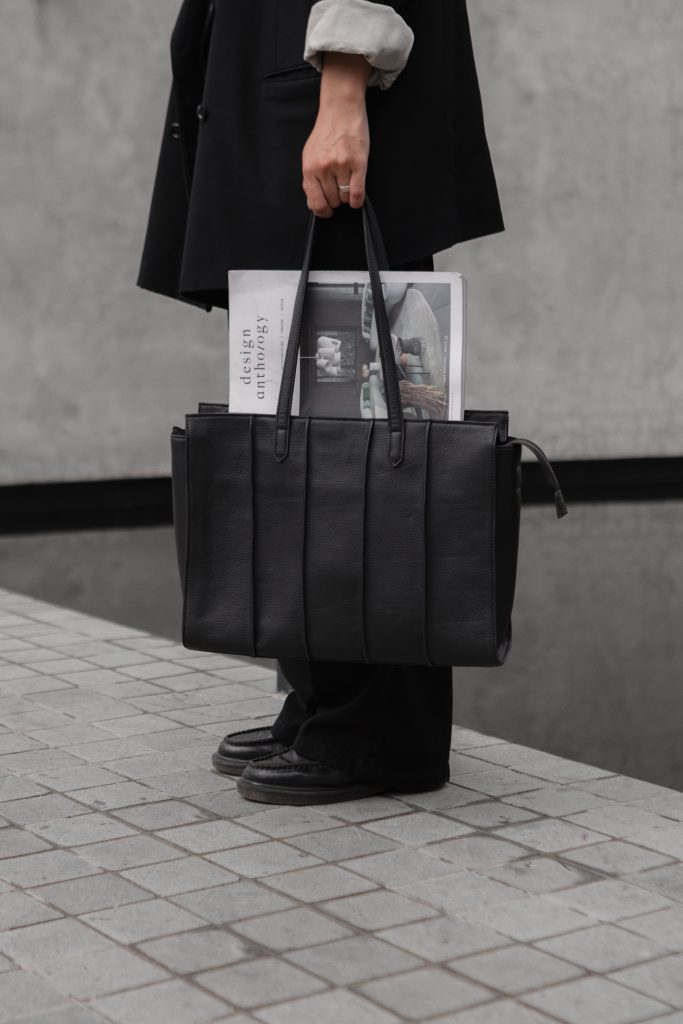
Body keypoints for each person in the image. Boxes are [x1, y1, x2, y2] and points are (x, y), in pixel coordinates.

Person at [137, 0, 504, 805]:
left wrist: (343, 87)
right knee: (305, 426)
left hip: (332, 89)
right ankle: (324, 694)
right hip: (287, 86)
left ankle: (382, 731)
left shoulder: (340, 90)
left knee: (359, 434)